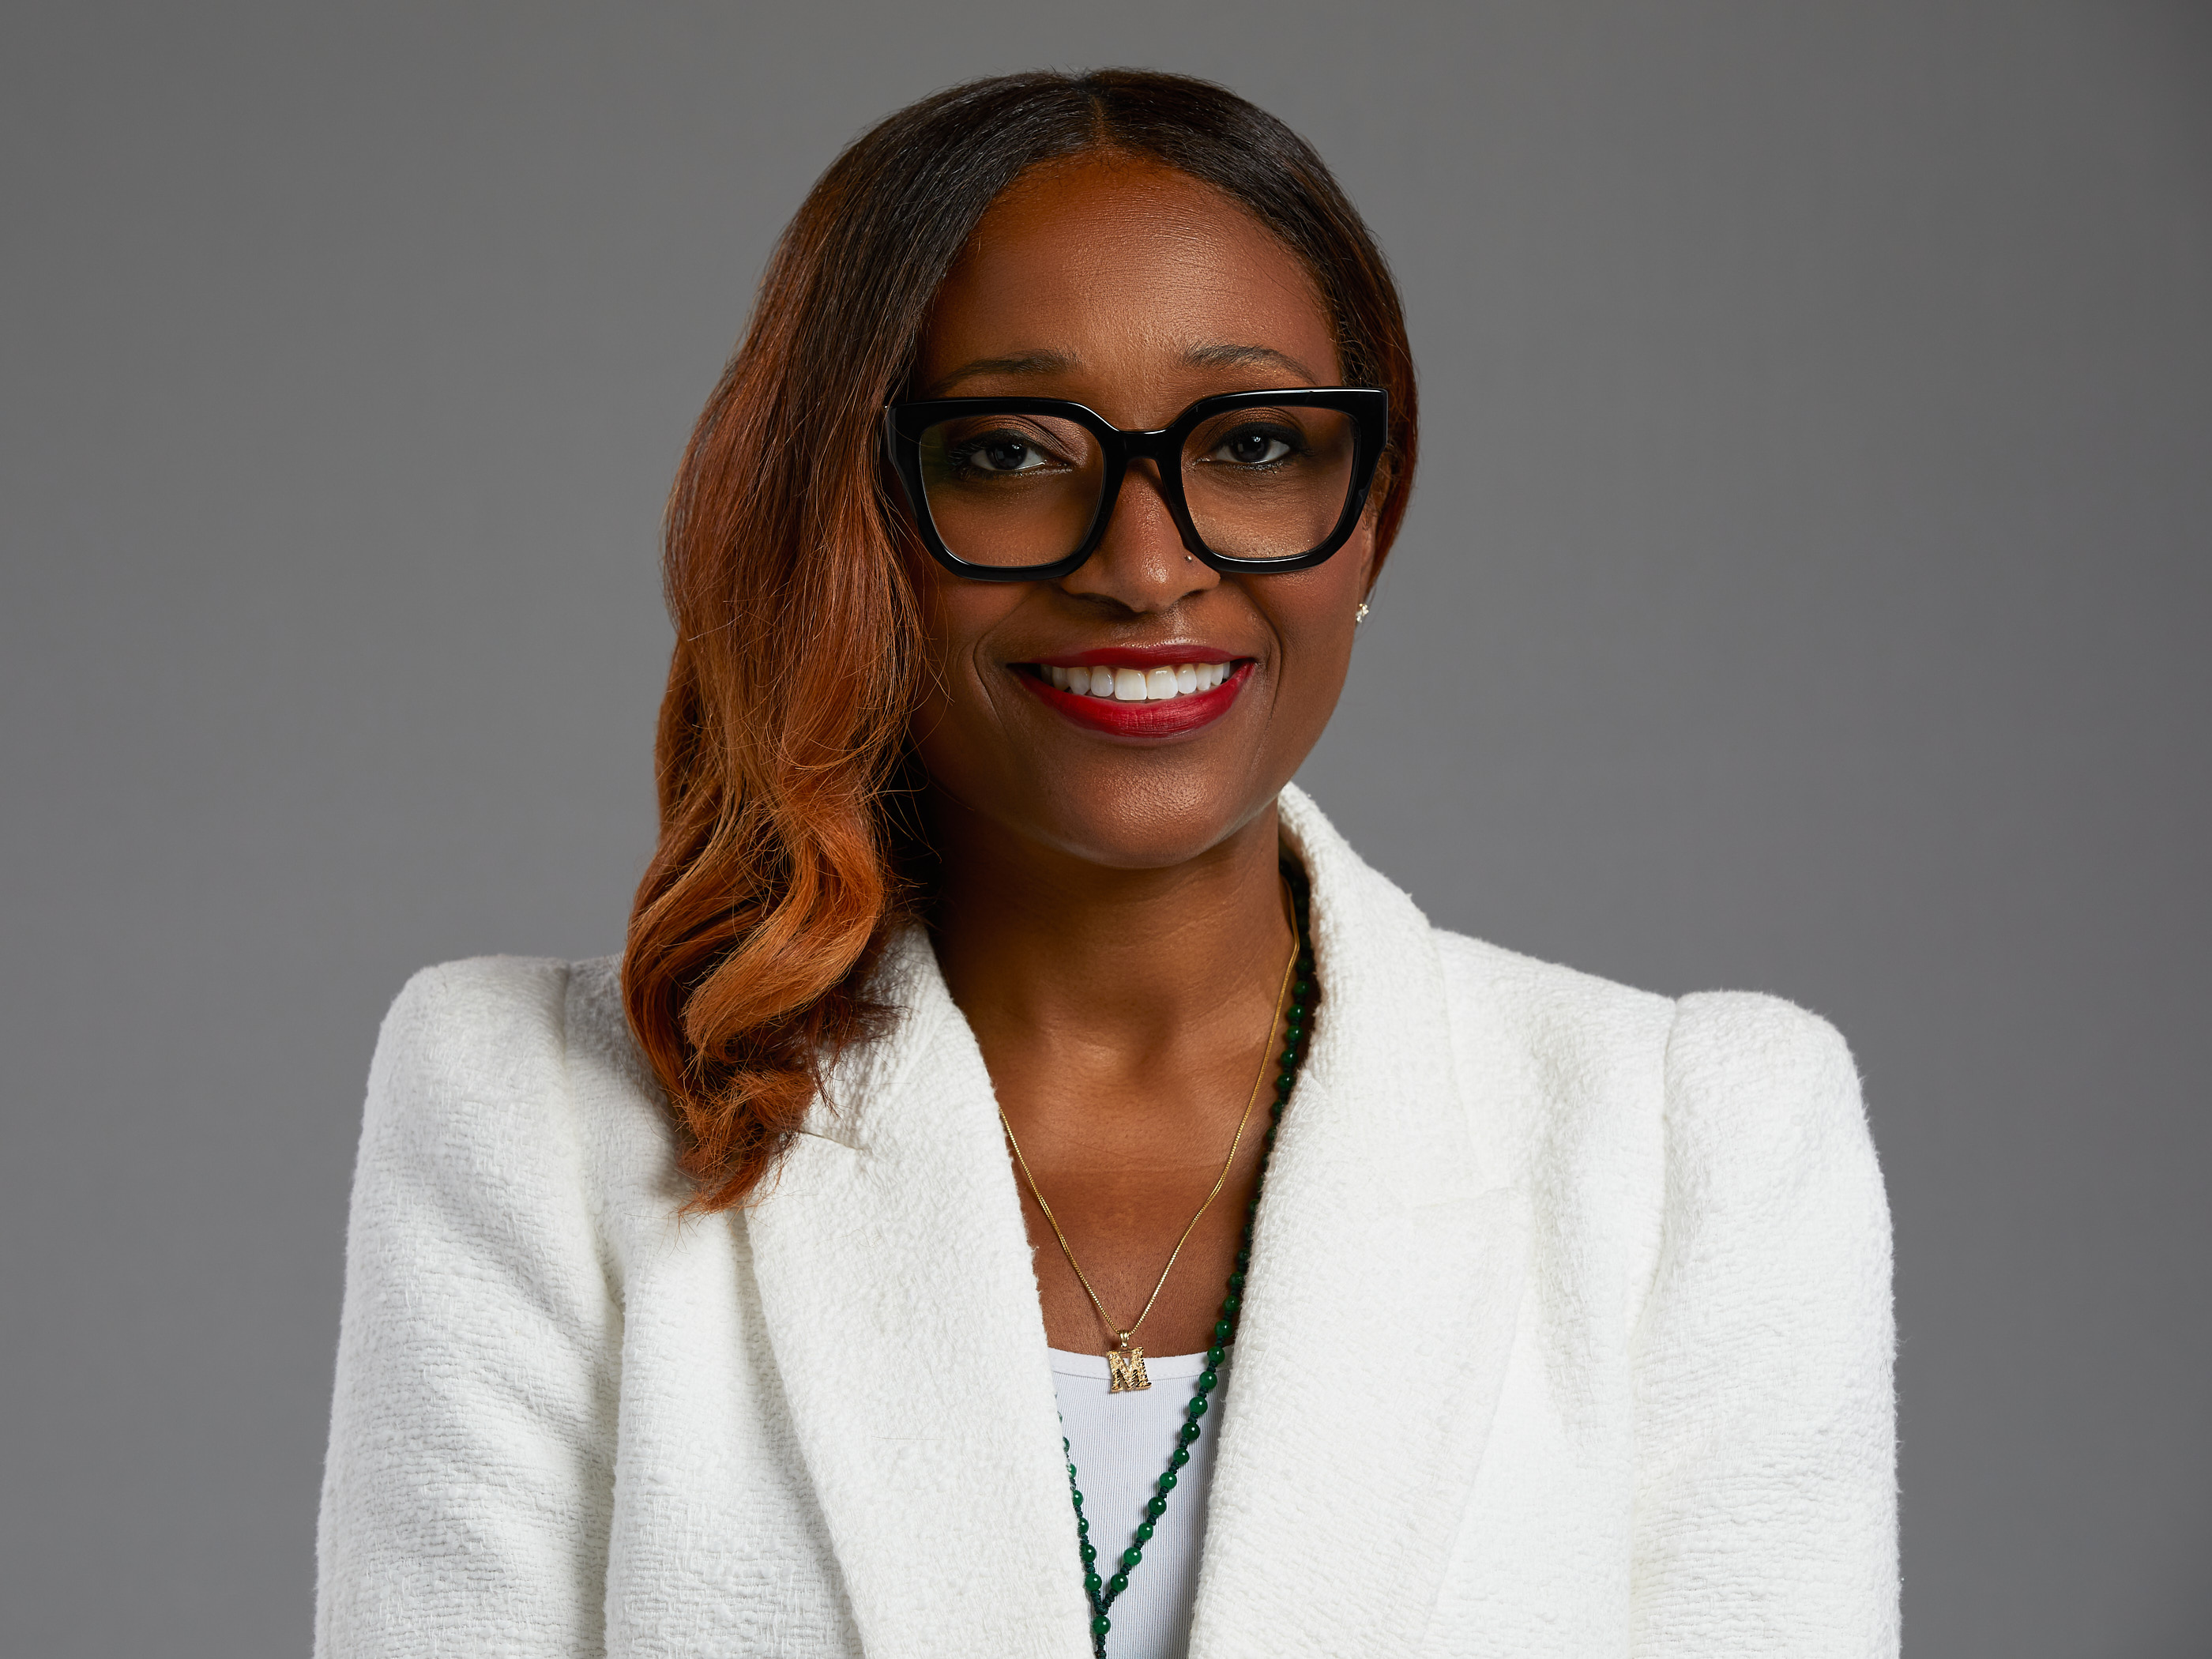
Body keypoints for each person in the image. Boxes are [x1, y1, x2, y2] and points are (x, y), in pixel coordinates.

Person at [314, 69, 1897, 1659]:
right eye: (1009, 453)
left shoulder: (1694, 1149)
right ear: (849, 516)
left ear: (1373, 510)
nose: (1146, 566)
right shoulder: (530, 1119)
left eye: (1255, 443)